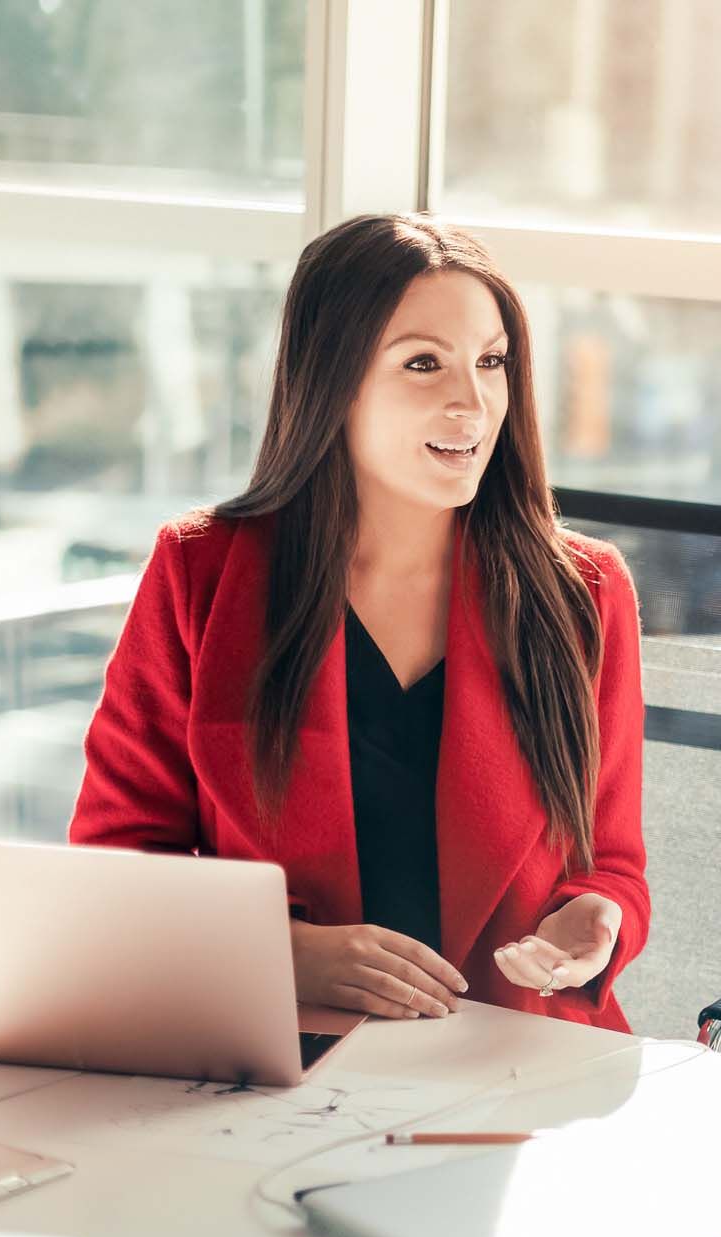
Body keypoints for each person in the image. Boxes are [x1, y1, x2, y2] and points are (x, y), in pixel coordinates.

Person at [70, 214, 649, 1030]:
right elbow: (115, 864)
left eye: (491, 362)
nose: (473, 401)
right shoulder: (200, 573)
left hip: (512, 1061)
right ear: (332, 381)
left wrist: (598, 919)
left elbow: (612, 863)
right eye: (424, 363)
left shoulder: (584, 593)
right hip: (279, 1051)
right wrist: (287, 951)